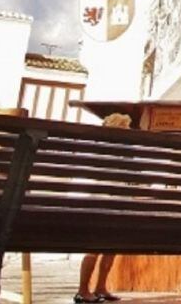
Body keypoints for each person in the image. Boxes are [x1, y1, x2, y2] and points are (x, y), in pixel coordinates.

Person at [75, 113, 131, 304]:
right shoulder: (125, 155)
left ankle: (91, 288)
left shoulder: (93, 150)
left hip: (95, 206)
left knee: (99, 248)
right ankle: (88, 289)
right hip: (113, 209)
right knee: (107, 247)